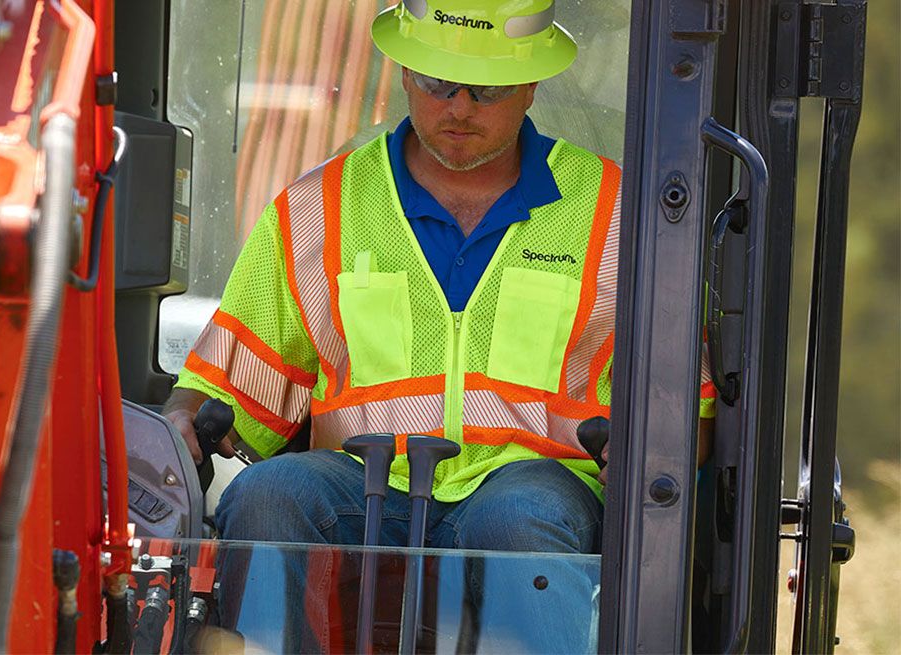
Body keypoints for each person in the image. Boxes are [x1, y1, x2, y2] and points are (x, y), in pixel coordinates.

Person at [163, 0, 715, 650]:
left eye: (487, 88)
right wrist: (179, 418)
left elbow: (690, 416)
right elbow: (221, 390)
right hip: (362, 481)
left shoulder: (623, 215)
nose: (458, 107)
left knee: (522, 519)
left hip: (531, 477)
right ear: (402, 71)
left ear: (532, 84)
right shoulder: (316, 209)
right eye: (436, 82)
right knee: (270, 497)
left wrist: (654, 447)